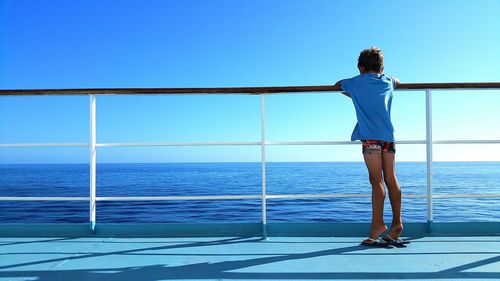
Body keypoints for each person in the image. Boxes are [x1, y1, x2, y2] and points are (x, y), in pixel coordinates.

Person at [335, 47, 406, 246]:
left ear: (361, 67)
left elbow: (338, 85)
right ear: (381, 67)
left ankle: (377, 225)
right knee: (391, 178)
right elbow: (398, 81)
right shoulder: (388, 80)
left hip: (371, 139)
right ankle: (397, 224)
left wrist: (356, 93)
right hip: (388, 137)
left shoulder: (355, 83)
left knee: (376, 181)